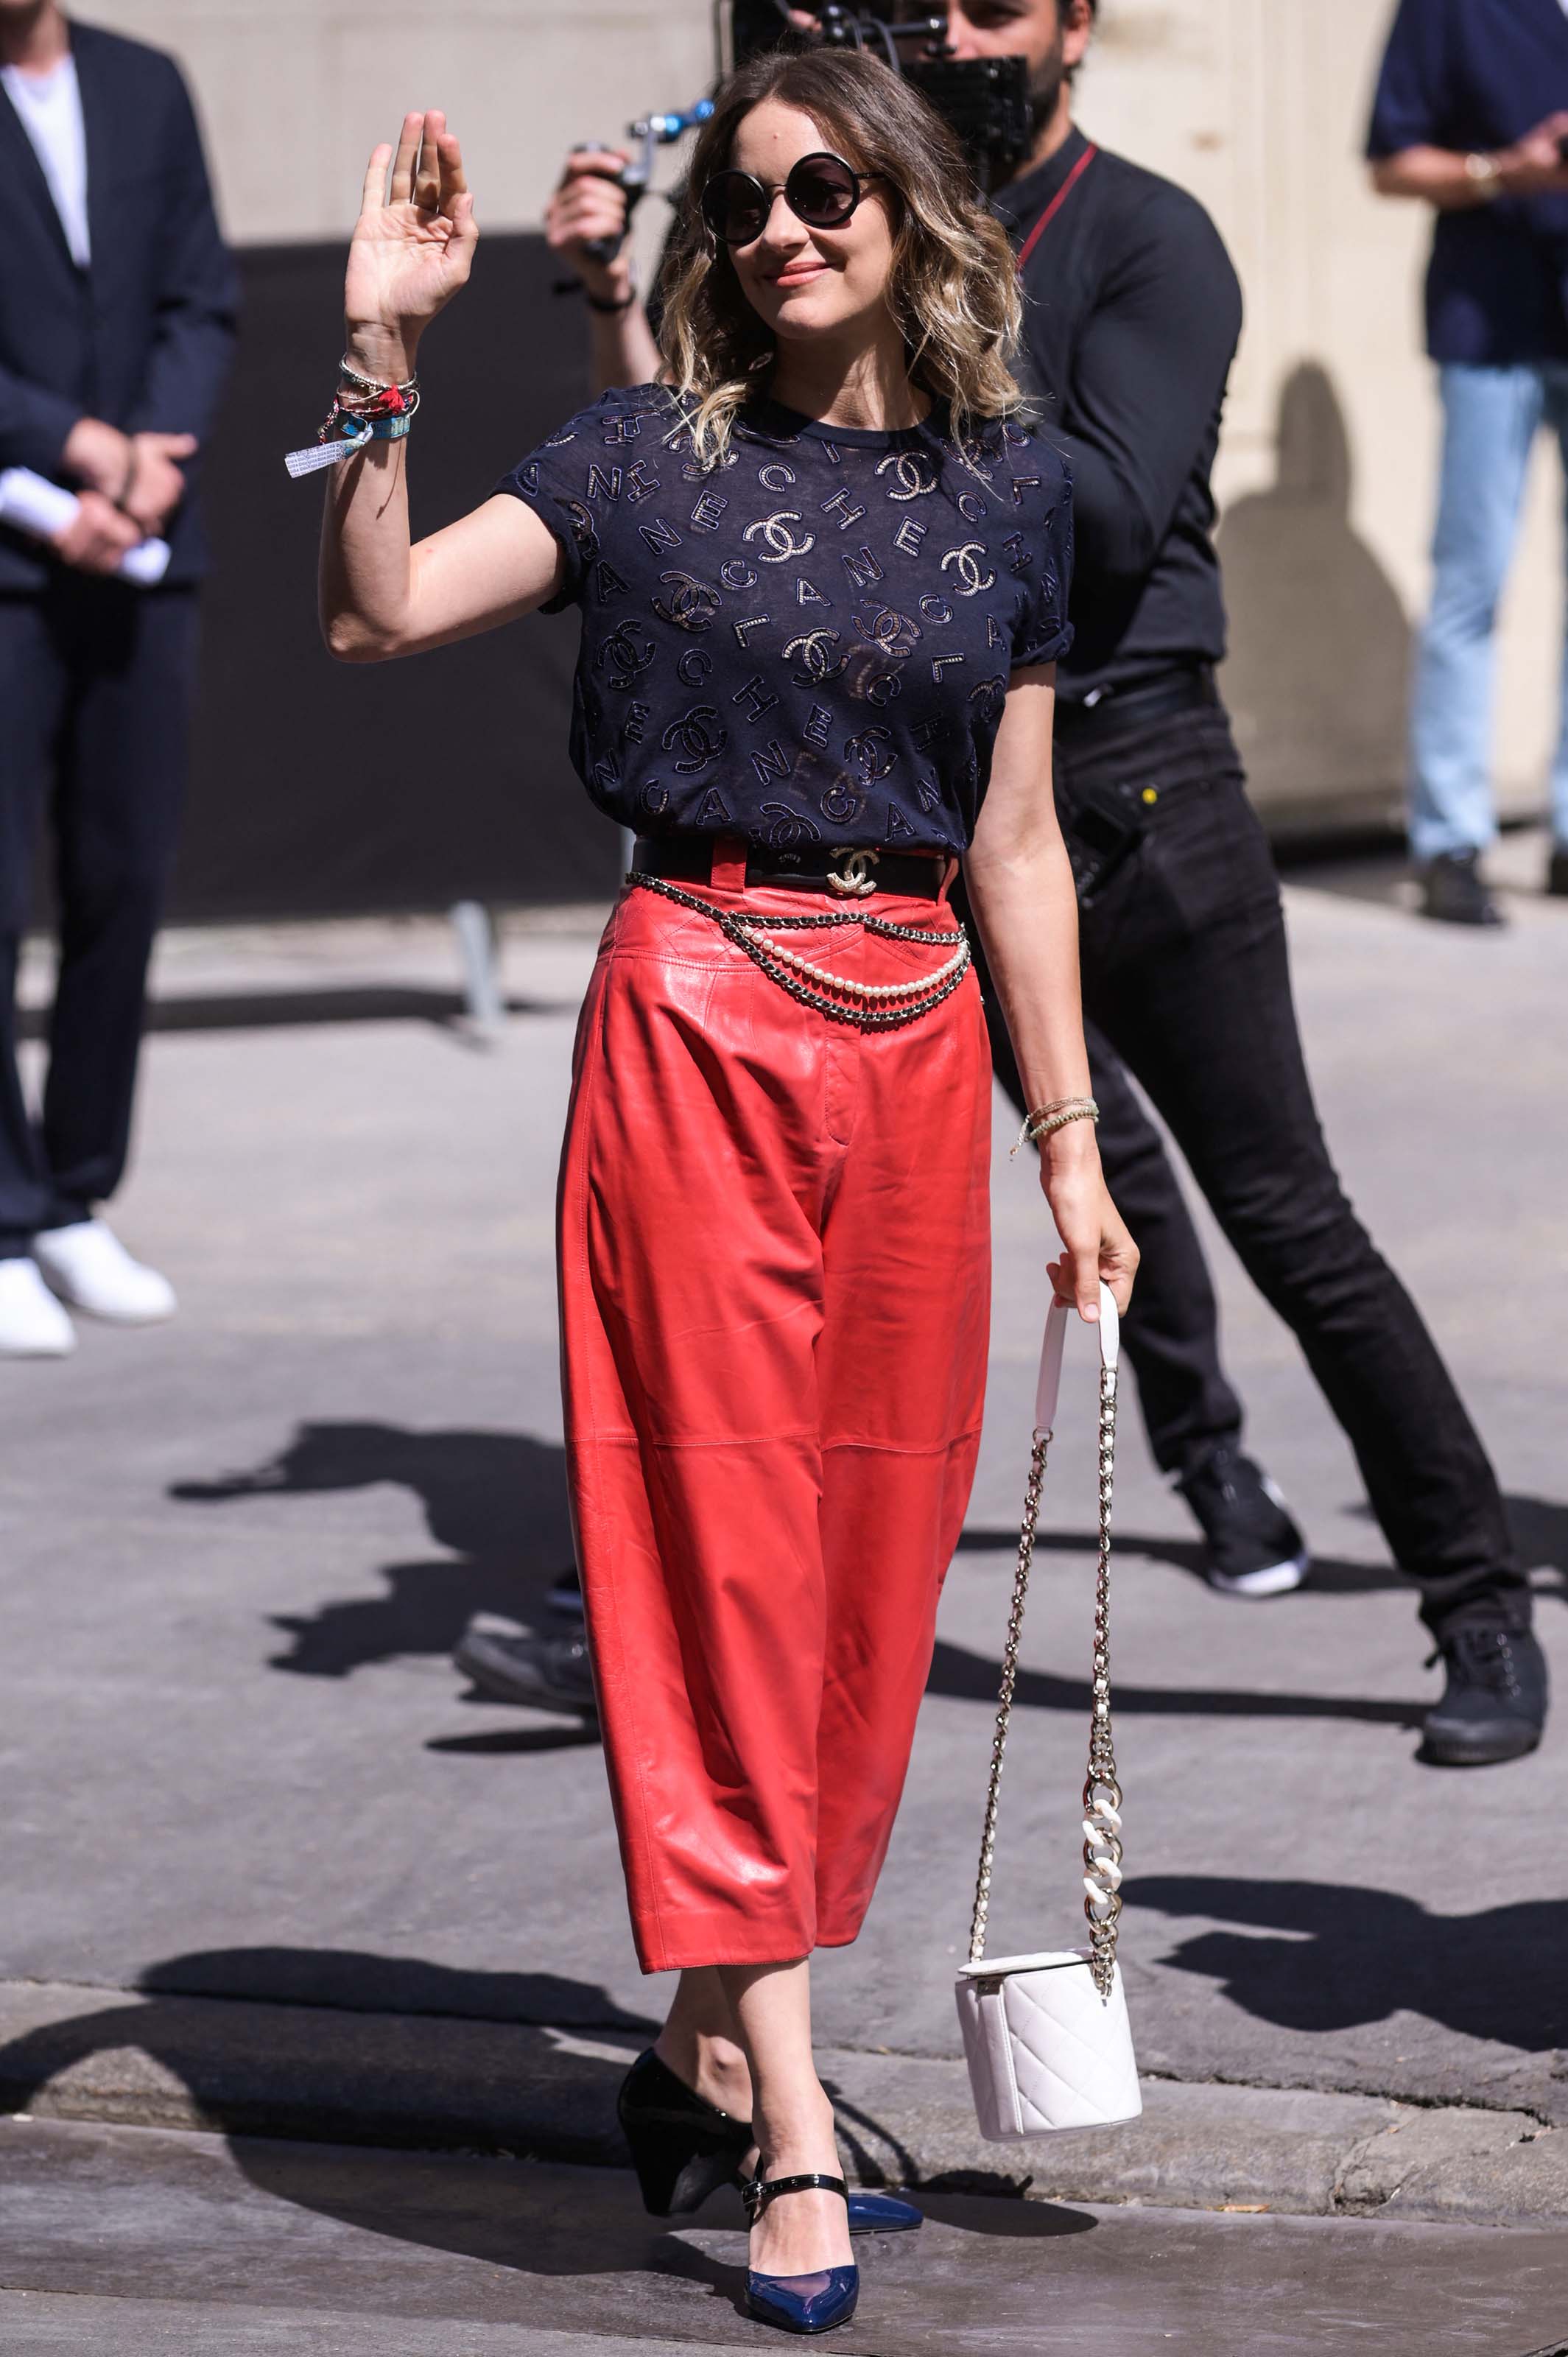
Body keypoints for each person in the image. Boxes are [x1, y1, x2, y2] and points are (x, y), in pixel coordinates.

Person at [317, 59, 1136, 2334]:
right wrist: (381, 349)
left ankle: (696, 2027)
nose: (778, 222)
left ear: (908, 206)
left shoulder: (1014, 496)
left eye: (824, 185)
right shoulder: (633, 461)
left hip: (913, 1048)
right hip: (691, 1012)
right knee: (716, 1559)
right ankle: (786, 2105)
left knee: (871, 1562)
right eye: (747, 195)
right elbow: (377, 610)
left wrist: (1067, 1144)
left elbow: (1016, 845)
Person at [534, 0, 1548, 1771]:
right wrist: (632, 300)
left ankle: (1476, 1597)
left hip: (1140, 781)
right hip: (938, 802)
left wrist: (899, 347)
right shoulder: (846, 241)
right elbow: (701, 524)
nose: (958, 37)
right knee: (1091, 1165)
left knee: (1283, 1210)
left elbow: (1108, 513)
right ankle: (1212, 1473)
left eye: (998, 5)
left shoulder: (1145, 236)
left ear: (1079, 24)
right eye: (932, 11)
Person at [0, 0, 236, 1355]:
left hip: (145, 542)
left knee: (123, 876)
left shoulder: (144, 83)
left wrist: (148, 459)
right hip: (17, 552)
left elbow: (198, 295)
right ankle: (3, 1215)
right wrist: (65, 462)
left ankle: (76, 1192)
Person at [1367, 0, 1568, 927]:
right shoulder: (1448, 7)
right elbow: (1391, 161)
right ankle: (1450, 838)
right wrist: (1506, 171)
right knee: (1471, 580)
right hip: (1487, 326)